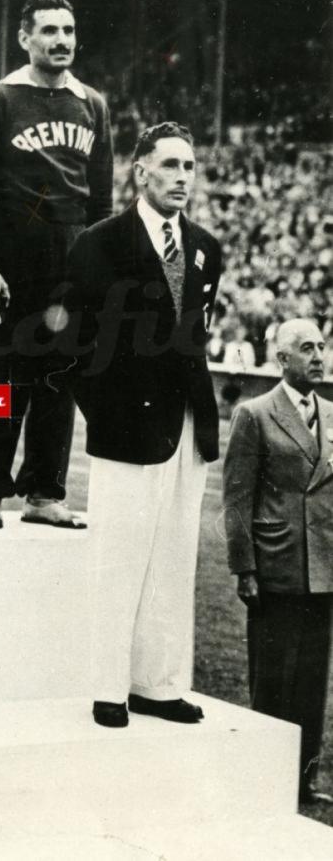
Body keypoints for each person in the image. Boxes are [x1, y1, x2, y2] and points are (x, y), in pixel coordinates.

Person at [63, 121, 222, 727]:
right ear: (141, 171)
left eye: (189, 166)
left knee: (175, 556)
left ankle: (158, 684)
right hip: (127, 428)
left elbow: (195, 338)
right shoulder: (100, 244)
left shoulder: (206, 246)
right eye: (171, 165)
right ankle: (109, 687)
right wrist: (106, 411)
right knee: (119, 556)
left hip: (188, 424)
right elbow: (73, 344)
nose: (183, 177)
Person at [0, 0, 113, 529]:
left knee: (60, 377)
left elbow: (102, 200)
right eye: (49, 31)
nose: (61, 40)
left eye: (68, 30)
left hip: (71, 256)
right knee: (0, 376)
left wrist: (97, 269)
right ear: (25, 38)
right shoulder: (0, 98)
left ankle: (45, 493)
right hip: (12, 251)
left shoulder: (92, 103)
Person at [223, 318, 333, 805]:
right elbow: (236, 498)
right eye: (305, 348)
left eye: (322, 346)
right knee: (271, 678)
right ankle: (259, 776)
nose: (317, 355)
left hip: (324, 569)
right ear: (282, 360)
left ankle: (304, 778)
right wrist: (244, 568)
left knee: (312, 679)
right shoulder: (255, 414)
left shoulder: (332, 413)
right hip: (276, 566)